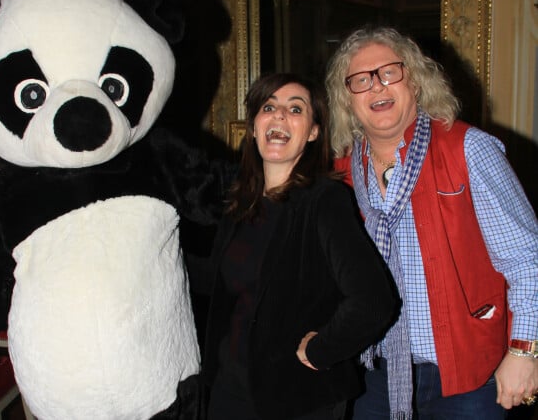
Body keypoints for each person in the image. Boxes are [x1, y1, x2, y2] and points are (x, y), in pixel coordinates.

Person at [325, 25, 538, 420]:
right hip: (373, 373)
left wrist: (524, 351)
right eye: (360, 80)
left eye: (390, 72)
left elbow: (527, 259)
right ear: (346, 100)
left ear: (417, 82)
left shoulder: (469, 149)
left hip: (466, 377)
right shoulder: (342, 172)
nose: (376, 87)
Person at [201, 72, 400, 420]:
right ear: (253, 126)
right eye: (269, 106)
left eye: (295, 109)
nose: (279, 115)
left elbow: (374, 302)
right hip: (229, 391)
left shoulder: (325, 200)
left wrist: (322, 350)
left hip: (298, 399)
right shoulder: (238, 202)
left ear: (313, 132)